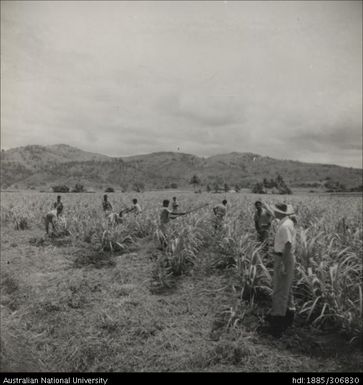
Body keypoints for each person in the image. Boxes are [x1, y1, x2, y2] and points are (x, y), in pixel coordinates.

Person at [263, 203, 297, 338]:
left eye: (275, 211)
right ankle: (289, 314)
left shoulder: (284, 226)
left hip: (283, 258)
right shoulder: (287, 222)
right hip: (286, 258)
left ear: (280, 213)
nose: (273, 213)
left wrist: (283, 263)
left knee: (279, 290)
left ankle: (277, 323)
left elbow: (288, 244)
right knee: (286, 288)